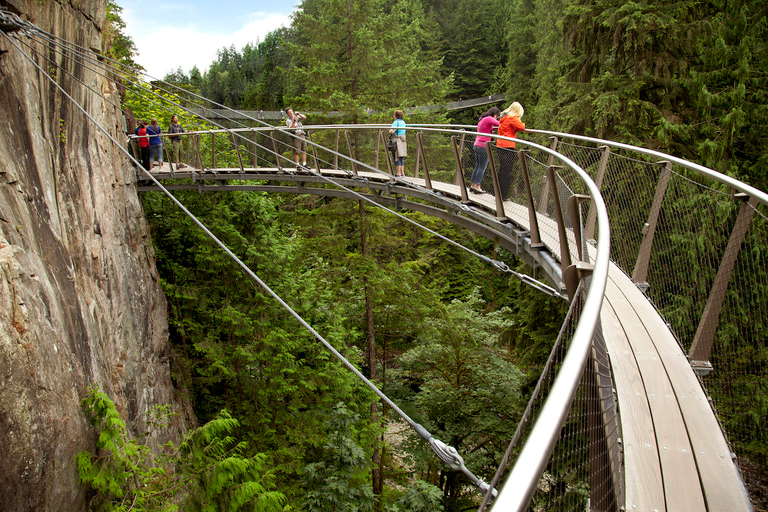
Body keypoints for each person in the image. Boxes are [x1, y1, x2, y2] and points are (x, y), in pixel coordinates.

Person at [496, 102, 526, 200]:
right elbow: (521, 127)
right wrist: (521, 122)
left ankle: (498, 192)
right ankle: (504, 195)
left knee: (502, 170)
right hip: (508, 147)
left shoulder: (503, 117)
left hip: (500, 145)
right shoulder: (512, 117)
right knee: (507, 172)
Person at [469, 106, 501, 193]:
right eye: (496, 116)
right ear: (494, 114)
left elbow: (485, 129)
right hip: (483, 145)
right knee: (482, 167)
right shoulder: (489, 118)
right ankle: (478, 186)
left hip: (477, 144)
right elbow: (500, 124)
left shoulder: (482, 118)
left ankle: (473, 185)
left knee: (478, 166)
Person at [389, 109, 407, 177]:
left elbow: (392, 131)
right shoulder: (403, 122)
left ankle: (398, 173)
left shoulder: (396, 122)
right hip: (403, 140)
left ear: (396, 116)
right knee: (401, 156)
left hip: (396, 140)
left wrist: (389, 131)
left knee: (396, 157)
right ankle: (402, 173)